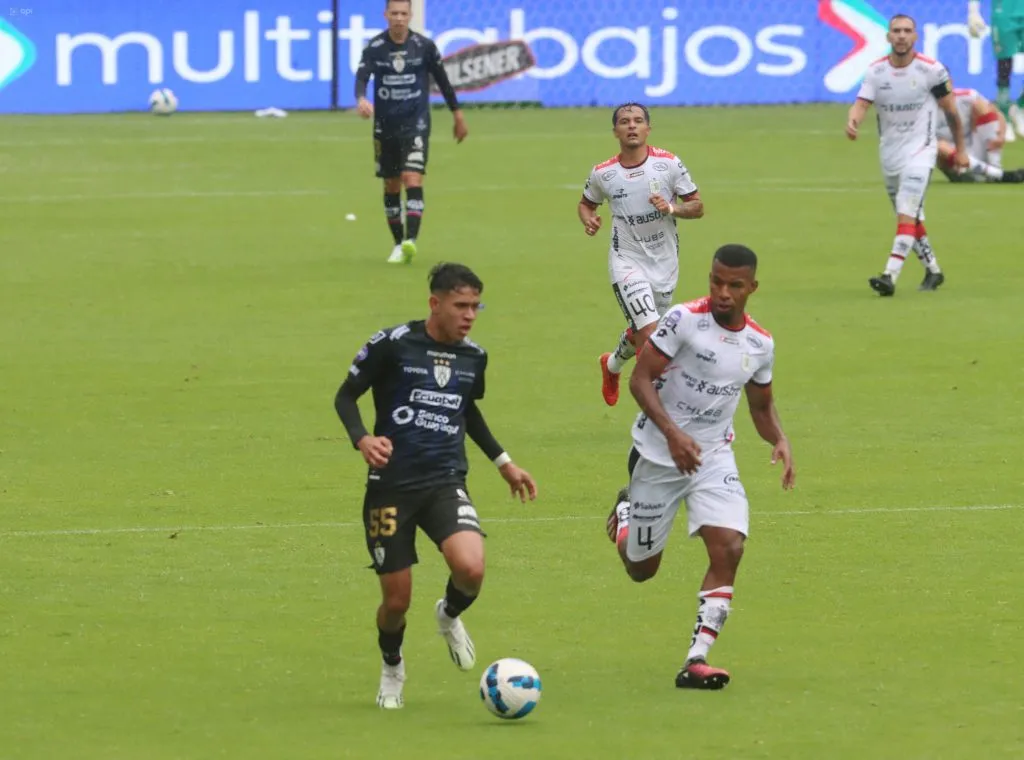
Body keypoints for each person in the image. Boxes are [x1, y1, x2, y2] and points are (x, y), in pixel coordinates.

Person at [334, 262, 537, 709]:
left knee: (471, 569)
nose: (469, 315)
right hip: (390, 488)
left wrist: (504, 463)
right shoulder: (392, 344)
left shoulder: (474, 357)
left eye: (475, 306)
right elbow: (345, 395)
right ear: (435, 303)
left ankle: (448, 615)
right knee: (396, 602)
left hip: (445, 479)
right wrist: (362, 438)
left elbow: (467, 410)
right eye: (460, 305)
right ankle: (392, 667)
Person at [605, 244, 795, 690]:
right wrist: (673, 434)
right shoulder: (683, 321)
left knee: (729, 547)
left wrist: (780, 438)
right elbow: (639, 380)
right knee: (641, 569)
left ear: (752, 287)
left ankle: (696, 659)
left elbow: (761, 406)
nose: (722, 292)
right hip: (657, 455)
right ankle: (627, 516)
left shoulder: (760, 344)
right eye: (715, 281)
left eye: (734, 285)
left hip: (713, 457)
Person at [577, 103, 704, 407]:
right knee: (648, 331)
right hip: (626, 260)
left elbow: (697, 206)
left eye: (637, 121)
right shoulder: (603, 173)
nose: (631, 126)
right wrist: (588, 219)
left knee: (645, 328)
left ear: (648, 128)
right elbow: (586, 204)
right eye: (624, 122)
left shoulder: (669, 164)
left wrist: (672, 208)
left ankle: (611, 366)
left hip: (664, 262)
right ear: (615, 131)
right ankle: (658, 405)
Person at [846, 14, 968, 297]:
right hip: (889, 154)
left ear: (915, 37)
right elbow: (861, 104)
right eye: (896, 31)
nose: (901, 36)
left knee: (906, 213)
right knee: (910, 218)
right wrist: (853, 121)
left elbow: (951, 112)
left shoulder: (932, 70)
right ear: (888, 37)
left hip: (921, 151)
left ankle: (889, 275)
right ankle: (934, 270)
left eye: (907, 31)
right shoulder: (876, 72)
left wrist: (960, 150)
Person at [355, 0, 469, 265]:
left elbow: (443, 80)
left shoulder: (424, 46)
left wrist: (458, 115)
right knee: (391, 183)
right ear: (386, 15)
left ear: (410, 15)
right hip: (385, 125)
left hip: (416, 123)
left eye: (403, 13)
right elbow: (362, 77)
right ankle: (397, 244)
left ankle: (410, 241)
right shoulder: (375, 48)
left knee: (413, 177)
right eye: (393, 13)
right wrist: (361, 98)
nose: (398, 18)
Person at [936, 87, 1024, 183]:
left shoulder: (968, 96)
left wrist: (1001, 136)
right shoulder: (923, 110)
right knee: (937, 145)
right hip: (955, 162)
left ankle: (995, 167)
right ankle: (998, 175)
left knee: (981, 106)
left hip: (975, 150)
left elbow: (997, 114)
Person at [968, 0, 1024, 138]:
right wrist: (973, 10)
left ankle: (1020, 109)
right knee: (1005, 63)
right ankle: (1003, 114)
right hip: (1005, 10)